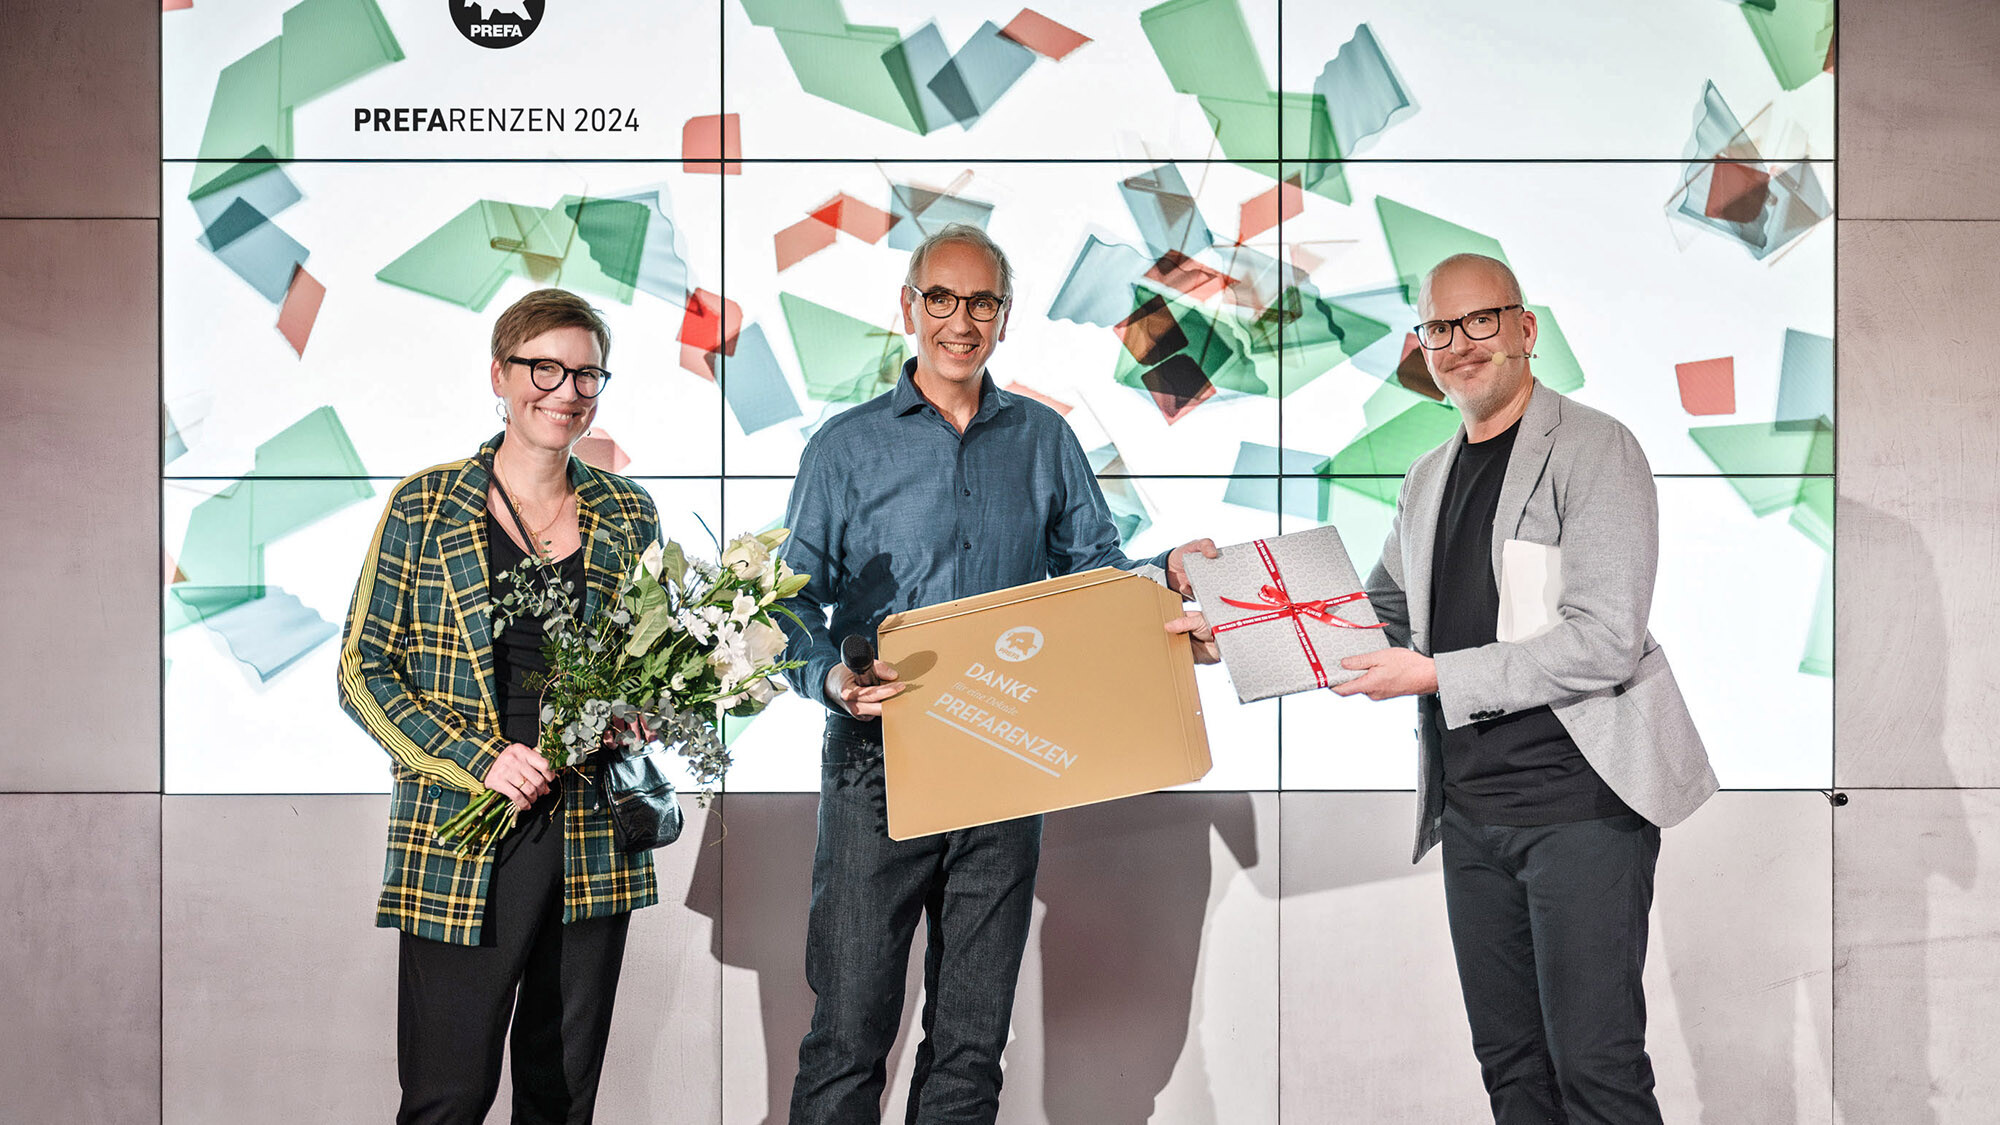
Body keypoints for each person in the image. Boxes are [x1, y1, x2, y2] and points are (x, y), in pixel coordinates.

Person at [777, 223, 1215, 1124]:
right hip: (877, 764)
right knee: (848, 1035)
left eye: (981, 302)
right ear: (910, 307)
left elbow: (1097, 577)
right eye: (941, 298)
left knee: (972, 1045)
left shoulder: (1044, 439)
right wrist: (831, 681)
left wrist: (1165, 570)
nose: (960, 321)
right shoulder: (843, 448)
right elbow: (785, 606)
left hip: (1006, 758)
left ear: (1004, 317)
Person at [337, 288, 662, 1124]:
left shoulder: (629, 512)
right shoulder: (425, 503)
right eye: (543, 367)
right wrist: (477, 758)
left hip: (592, 830)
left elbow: (650, 662)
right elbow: (361, 670)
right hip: (462, 828)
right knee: (448, 1097)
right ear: (499, 373)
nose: (565, 390)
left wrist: (640, 709)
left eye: (586, 374)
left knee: (560, 1101)